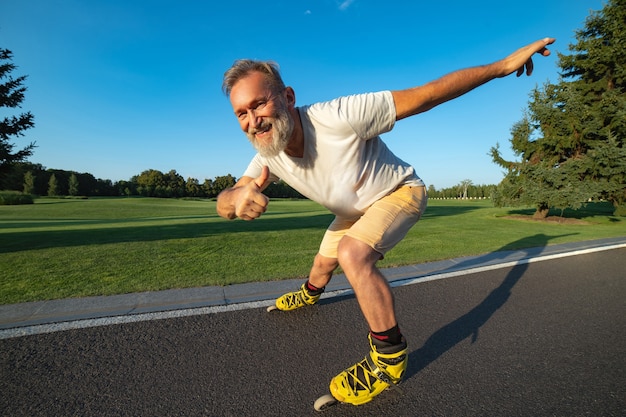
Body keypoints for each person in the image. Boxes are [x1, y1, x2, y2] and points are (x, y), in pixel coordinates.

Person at [217, 37, 555, 407]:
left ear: (288, 97)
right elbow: (232, 195)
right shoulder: (269, 152)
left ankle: (389, 359)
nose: (253, 121)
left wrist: (502, 67)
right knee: (322, 263)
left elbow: (428, 94)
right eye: (241, 114)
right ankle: (309, 294)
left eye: (259, 104)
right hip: (352, 212)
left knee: (352, 253)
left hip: (398, 193)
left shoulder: (339, 116)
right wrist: (234, 199)